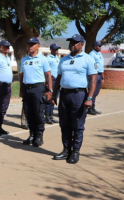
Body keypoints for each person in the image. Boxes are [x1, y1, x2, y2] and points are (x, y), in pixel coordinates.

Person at [52, 34, 97, 164]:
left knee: (77, 125)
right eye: (70, 42)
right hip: (64, 95)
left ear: (81, 44)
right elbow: (58, 79)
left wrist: (89, 98)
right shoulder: (63, 60)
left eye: (75, 42)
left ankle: (75, 152)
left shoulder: (87, 59)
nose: (72, 44)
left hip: (79, 95)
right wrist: (54, 95)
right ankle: (66, 150)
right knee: (64, 124)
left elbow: (93, 80)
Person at [20, 37, 52, 147]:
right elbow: (21, 76)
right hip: (27, 89)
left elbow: (48, 75)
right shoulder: (24, 60)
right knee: (28, 113)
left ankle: (39, 136)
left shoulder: (43, 59)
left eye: (33, 44)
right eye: (29, 44)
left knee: (38, 113)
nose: (30, 46)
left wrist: (50, 90)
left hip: (38, 88)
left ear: (38, 46)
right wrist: (21, 89)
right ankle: (32, 134)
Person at [0, 40, 13, 136]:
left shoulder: (8, 58)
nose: (7, 48)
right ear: (1, 47)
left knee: (4, 108)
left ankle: (0, 126)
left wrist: (11, 85)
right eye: (5, 47)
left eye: (8, 47)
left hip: (7, 86)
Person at [45, 44, 61, 124]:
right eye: (55, 49)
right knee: (49, 98)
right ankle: (47, 116)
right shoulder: (48, 59)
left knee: (54, 98)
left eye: (57, 49)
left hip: (57, 81)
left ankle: (51, 115)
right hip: (51, 80)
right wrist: (47, 82)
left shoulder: (57, 58)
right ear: (51, 49)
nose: (56, 51)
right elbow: (46, 71)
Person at [88, 41, 104, 115]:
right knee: (92, 91)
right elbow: (91, 65)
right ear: (95, 47)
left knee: (96, 92)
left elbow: (101, 65)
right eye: (99, 46)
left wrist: (103, 77)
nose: (100, 47)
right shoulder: (92, 54)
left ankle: (93, 107)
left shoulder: (100, 54)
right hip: (95, 74)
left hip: (100, 75)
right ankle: (90, 108)